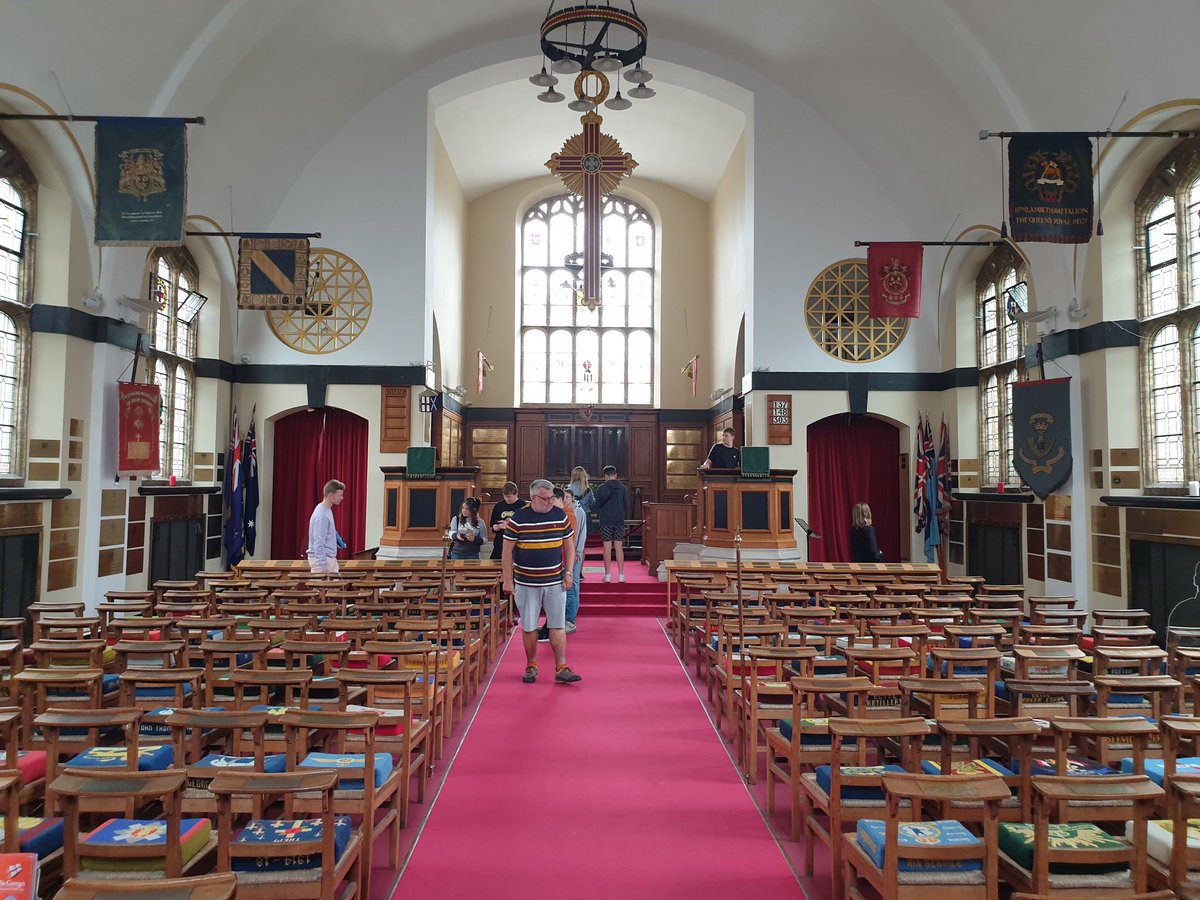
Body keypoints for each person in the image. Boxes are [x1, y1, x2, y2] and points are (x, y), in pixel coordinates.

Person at [502, 479, 582, 685]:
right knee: (529, 626)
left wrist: (570, 572)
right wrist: (507, 580)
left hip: (555, 581)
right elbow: (507, 552)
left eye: (552, 498)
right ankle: (531, 664)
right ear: (533, 498)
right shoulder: (518, 519)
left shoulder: (560, 515)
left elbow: (569, 546)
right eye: (545, 499)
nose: (550, 502)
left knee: (557, 625)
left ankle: (561, 667)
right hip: (527, 583)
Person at [592, 464, 630, 583]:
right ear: (615, 475)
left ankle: (607, 575)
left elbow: (597, 506)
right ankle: (621, 574)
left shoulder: (601, 488)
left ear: (605, 476)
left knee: (607, 548)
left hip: (606, 521)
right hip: (618, 520)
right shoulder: (622, 488)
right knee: (619, 548)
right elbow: (626, 505)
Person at [306, 479, 345, 573]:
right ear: (331, 496)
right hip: (322, 561)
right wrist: (324, 567)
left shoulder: (326, 509)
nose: (342, 498)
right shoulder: (322, 515)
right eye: (339, 495)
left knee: (336, 586)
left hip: (328, 559)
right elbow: (318, 544)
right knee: (325, 587)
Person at [563, 485, 587, 633]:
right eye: (563, 497)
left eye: (567, 497)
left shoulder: (579, 512)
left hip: (575, 552)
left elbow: (581, 532)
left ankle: (571, 618)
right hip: (563, 553)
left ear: (572, 498)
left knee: (574, 584)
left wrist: (578, 551)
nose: (565, 500)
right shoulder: (561, 511)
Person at [488, 481, 527, 560]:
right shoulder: (498, 506)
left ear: (516, 494)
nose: (506, 499)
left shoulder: (523, 506)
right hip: (500, 542)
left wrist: (509, 526)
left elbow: (526, 526)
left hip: (516, 543)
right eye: (504, 496)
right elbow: (492, 524)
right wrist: (495, 527)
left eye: (509, 496)